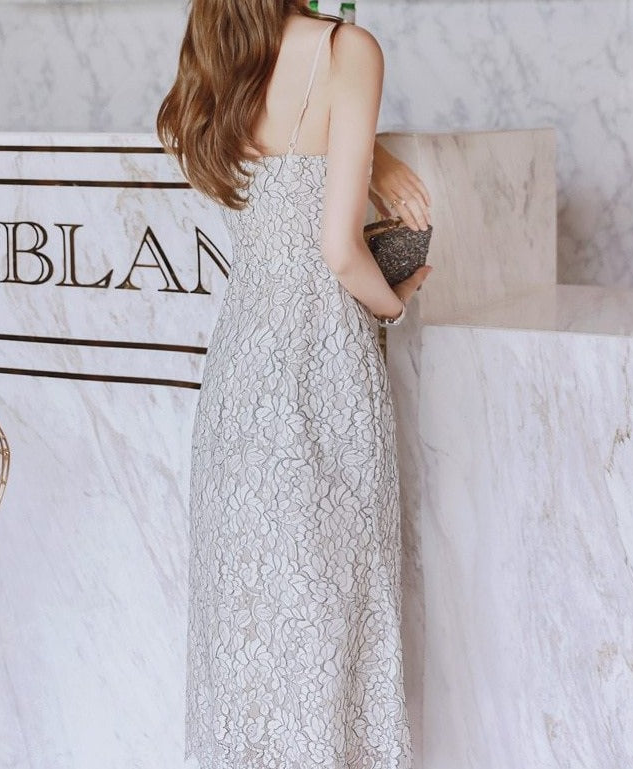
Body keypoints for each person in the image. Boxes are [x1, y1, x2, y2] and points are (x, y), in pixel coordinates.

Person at [156, 1, 434, 767]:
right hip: (321, 373)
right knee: (334, 624)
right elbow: (340, 250)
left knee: (249, 641)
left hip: (238, 382)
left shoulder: (218, 51)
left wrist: (370, 152)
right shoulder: (348, 49)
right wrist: (393, 304)